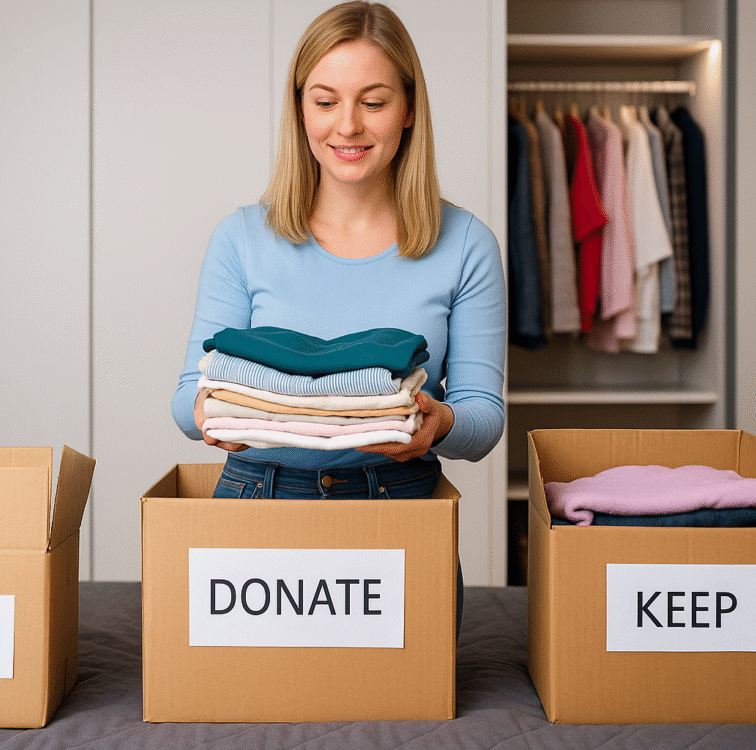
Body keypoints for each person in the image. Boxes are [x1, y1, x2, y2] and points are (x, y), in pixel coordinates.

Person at [171, 0, 506, 632]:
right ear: (300, 110)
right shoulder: (242, 237)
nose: (347, 125)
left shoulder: (465, 243)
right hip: (255, 502)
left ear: (408, 109)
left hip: (398, 503)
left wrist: (438, 424)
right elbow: (189, 395)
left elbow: (484, 418)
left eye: (373, 102)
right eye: (325, 101)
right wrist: (212, 412)